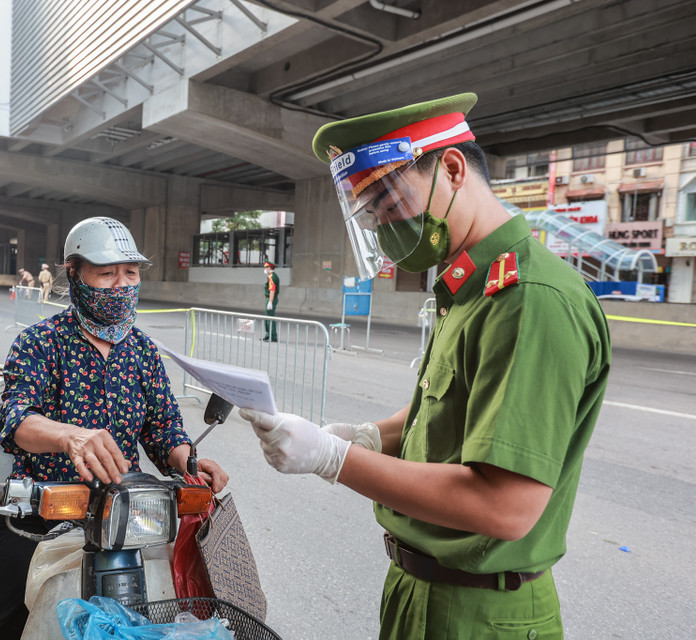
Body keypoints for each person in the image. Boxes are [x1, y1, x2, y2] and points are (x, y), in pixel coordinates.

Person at [238, 93, 611, 639]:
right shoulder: (469, 286)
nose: (387, 227)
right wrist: (364, 436)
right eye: (375, 215)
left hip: (481, 614)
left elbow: (505, 507)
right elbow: (443, 409)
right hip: (421, 589)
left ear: (453, 169)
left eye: (392, 205)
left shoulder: (529, 298)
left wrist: (333, 458)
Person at [0, 216, 229, 640]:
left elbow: (163, 426)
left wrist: (186, 459)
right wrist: (69, 436)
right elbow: (17, 420)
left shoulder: (142, 349)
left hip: (127, 514)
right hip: (42, 510)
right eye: (106, 273)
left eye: (130, 272)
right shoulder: (40, 341)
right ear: (75, 274)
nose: (121, 284)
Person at [262, 261, 280, 342]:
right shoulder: (270, 276)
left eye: (266, 267)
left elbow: (272, 290)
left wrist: (270, 302)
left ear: (269, 268)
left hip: (271, 298)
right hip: (269, 298)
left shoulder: (273, 277)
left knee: (270, 317)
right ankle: (268, 334)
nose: (265, 269)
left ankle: (273, 336)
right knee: (267, 317)